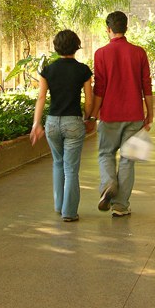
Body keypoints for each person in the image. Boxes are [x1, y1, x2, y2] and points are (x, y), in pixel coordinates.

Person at [89, 11, 153, 217]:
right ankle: (120, 206)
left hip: (109, 114)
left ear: (108, 29)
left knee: (105, 153)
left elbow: (99, 88)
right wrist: (150, 114)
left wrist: (94, 114)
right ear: (126, 28)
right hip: (134, 114)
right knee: (128, 159)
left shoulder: (100, 53)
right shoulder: (139, 52)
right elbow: (146, 86)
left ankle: (109, 183)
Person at [29, 30, 96, 222]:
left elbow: (41, 97)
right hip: (73, 122)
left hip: (52, 123)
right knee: (71, 169)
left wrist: (36, 124)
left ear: (56, 47)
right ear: (76, 46)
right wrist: (88, 118)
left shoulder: (48, 70)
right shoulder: (83, 70)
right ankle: (69, 212)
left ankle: (59, 206)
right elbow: (89, 100)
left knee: (58, 163)